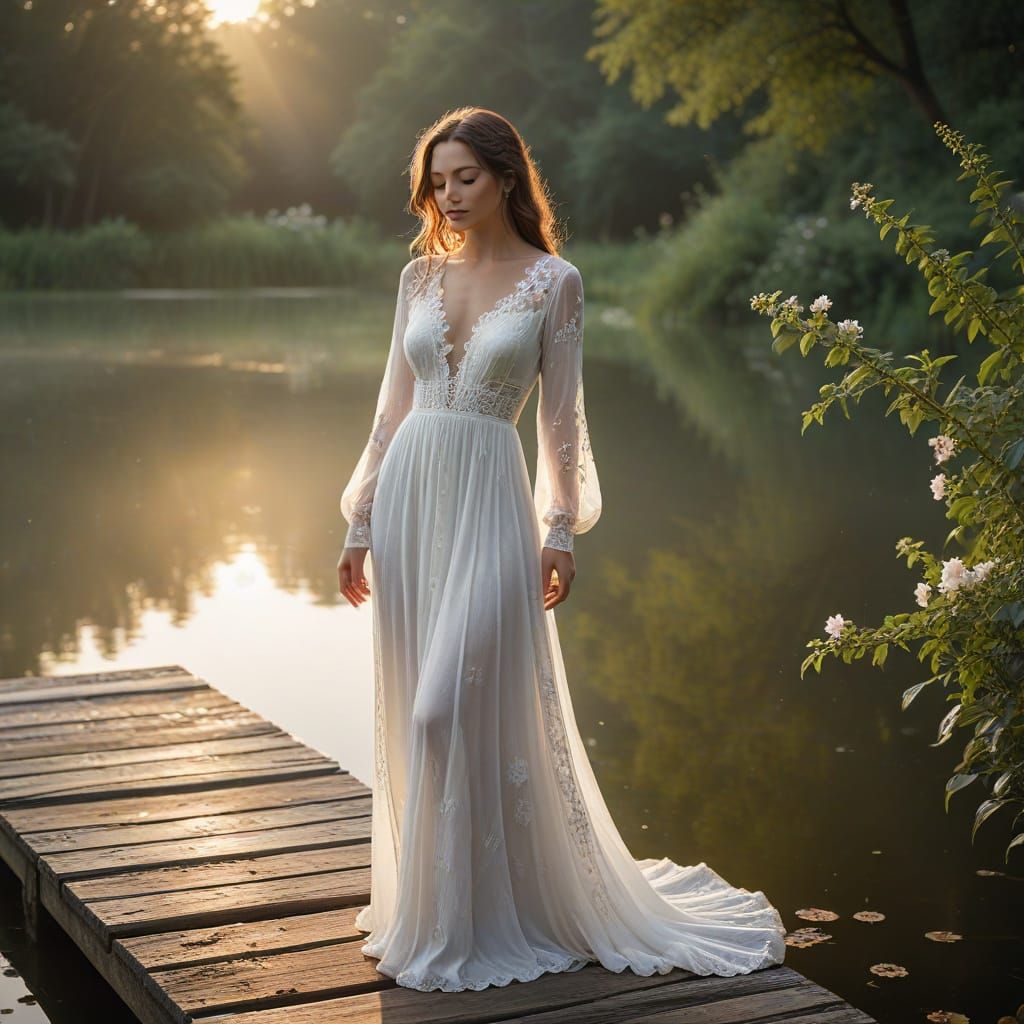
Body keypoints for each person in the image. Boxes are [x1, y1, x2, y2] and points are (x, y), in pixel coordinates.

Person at [337, 106, 786, 993]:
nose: (450, 194)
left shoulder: (556, 282)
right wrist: (358, 521)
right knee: (420, 715)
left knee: (445, 707)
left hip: (492, 499)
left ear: (506, 177)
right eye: (438, 179)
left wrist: (558, 530)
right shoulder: (416, 279)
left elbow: (559, 419)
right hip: (414, 498)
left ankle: (496, 913)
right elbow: (390, 408)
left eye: (466, 176)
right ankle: (439, 911)